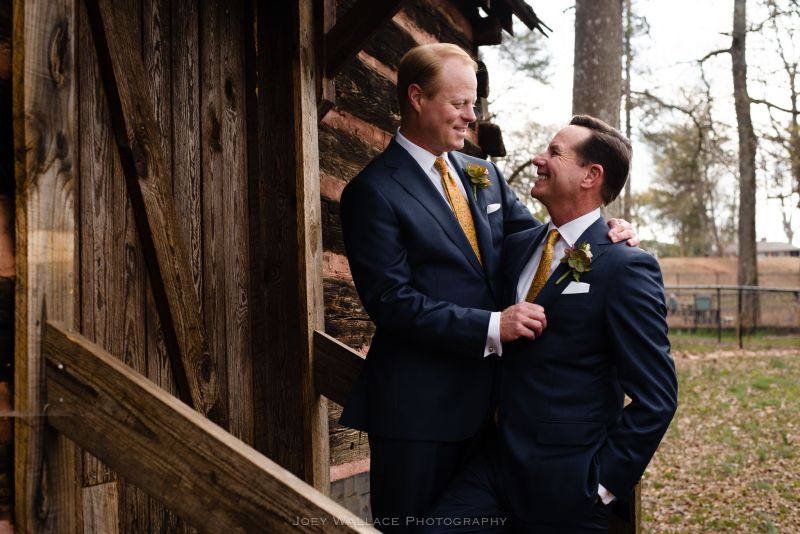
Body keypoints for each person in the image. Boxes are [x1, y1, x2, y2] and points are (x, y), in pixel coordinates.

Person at [339, 44, 638, 532]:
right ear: (417, 98)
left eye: (473, 103)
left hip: (494, 420)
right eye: (459, 103)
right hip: (418, 416)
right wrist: (494, 326)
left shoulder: (482, 175)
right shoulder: (372, 192)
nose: (471, 117)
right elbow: (391, 302)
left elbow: (545, 243)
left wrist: (605, 232)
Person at [420, 115, 679, 533]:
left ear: (591, 176)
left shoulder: (625, 266)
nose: (539, 159)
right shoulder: (518, 246)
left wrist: (603, 486)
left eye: (555, 152)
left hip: (568, 486)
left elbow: (658, 397)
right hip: (492, 468)